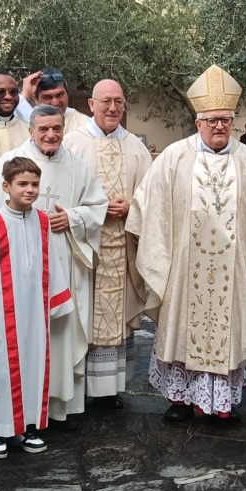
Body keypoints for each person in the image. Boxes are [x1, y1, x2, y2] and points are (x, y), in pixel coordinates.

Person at [127, 65, 246, 423]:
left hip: (234, 267)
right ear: (198, 121)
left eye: (226, 120)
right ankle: (181, 400)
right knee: (182, 329)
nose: (219, 126)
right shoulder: (174, 157)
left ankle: (220, 402)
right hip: (186, 268)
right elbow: (146, 205)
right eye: (212, 119)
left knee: (227, 331)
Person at [0, 105, 108, 427]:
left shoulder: (77, 165)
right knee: (23, 336)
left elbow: (98, 205)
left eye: (56, 128)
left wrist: (73, 217)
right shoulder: (11, 162)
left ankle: (56, 406)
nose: (51, 134)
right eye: (43, 129)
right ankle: (23, 408)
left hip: (63, 264)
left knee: (60, 333)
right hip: (19, 272)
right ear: (31, 130)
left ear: (63, 128)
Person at [0, 156, 74, 458]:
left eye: (35, 184)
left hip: (35, 314)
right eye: (22, 184)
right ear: (6, 186)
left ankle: (28, 426)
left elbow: (52, 261)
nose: (29, 190)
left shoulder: (42, 221)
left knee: (34, 367)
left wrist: (56, 302)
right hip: (2, 313)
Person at [64, 79, 152, 406]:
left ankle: (110, 390)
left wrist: (132, 207)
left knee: (116, 317)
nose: (113, 108)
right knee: (83, 316)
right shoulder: (72, 144)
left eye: (118, 101)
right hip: (85, 251)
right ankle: (80, 389)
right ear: (91, 104)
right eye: (106, 102)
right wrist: (99, 210)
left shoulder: (136, 147)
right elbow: (62, 194)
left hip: (122, 247)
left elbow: (150, 193)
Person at [20, 68, 91, 134]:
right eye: (47, 97)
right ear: (36, 99)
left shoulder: (85, 125)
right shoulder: (26, 120)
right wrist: (24, 95)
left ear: (67, 94)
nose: (55, 102)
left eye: (60, 95)